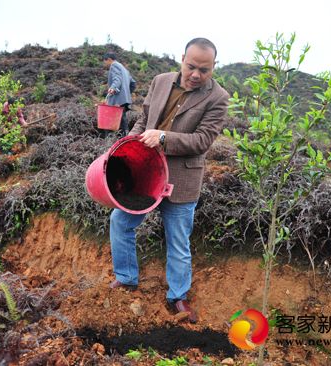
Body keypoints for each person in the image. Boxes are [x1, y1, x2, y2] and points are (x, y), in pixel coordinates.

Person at [108, 38, 229, 323]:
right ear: (182, 58)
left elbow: (202, 141)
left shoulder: (218, 98)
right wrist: (130, 141)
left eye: (205, 69)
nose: (196, 74)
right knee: (120, 221)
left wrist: (163, 138)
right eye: (191, 67)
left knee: (178, 242)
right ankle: (126, 278)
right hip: (146, 175)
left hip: (181, 180)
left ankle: (178, 296)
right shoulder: (161, 81)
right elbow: (145, 118)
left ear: (214, 68)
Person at [103, 52, 136, 137]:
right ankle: (125, 138)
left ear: (109, 59)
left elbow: (117, 79)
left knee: (110, 122)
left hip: (117, 100)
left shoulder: (114, 65)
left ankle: (108, 141)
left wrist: (113, 87)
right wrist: (126, 94)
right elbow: (133, 84)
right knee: (122, 121)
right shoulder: (124, 69)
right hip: (124, 100)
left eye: (105, 61)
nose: (105, 64)